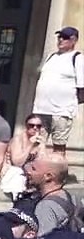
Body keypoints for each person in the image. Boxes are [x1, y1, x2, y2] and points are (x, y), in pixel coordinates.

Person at [30, 26, 83, 155]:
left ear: (73, 40)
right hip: (42, 108)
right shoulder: (51, 56)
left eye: (64, 38)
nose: (60, 40)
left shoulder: (77, 58)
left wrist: (71, 104)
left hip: (61, 111)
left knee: (59, 146)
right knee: (37, 143)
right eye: (59, 37)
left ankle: (58, 174)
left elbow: (82, 87)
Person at [24, 156, 78, 234]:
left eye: (33, 169)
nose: (28, 172)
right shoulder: (70, 197)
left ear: (48, 176)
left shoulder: (45, 207)